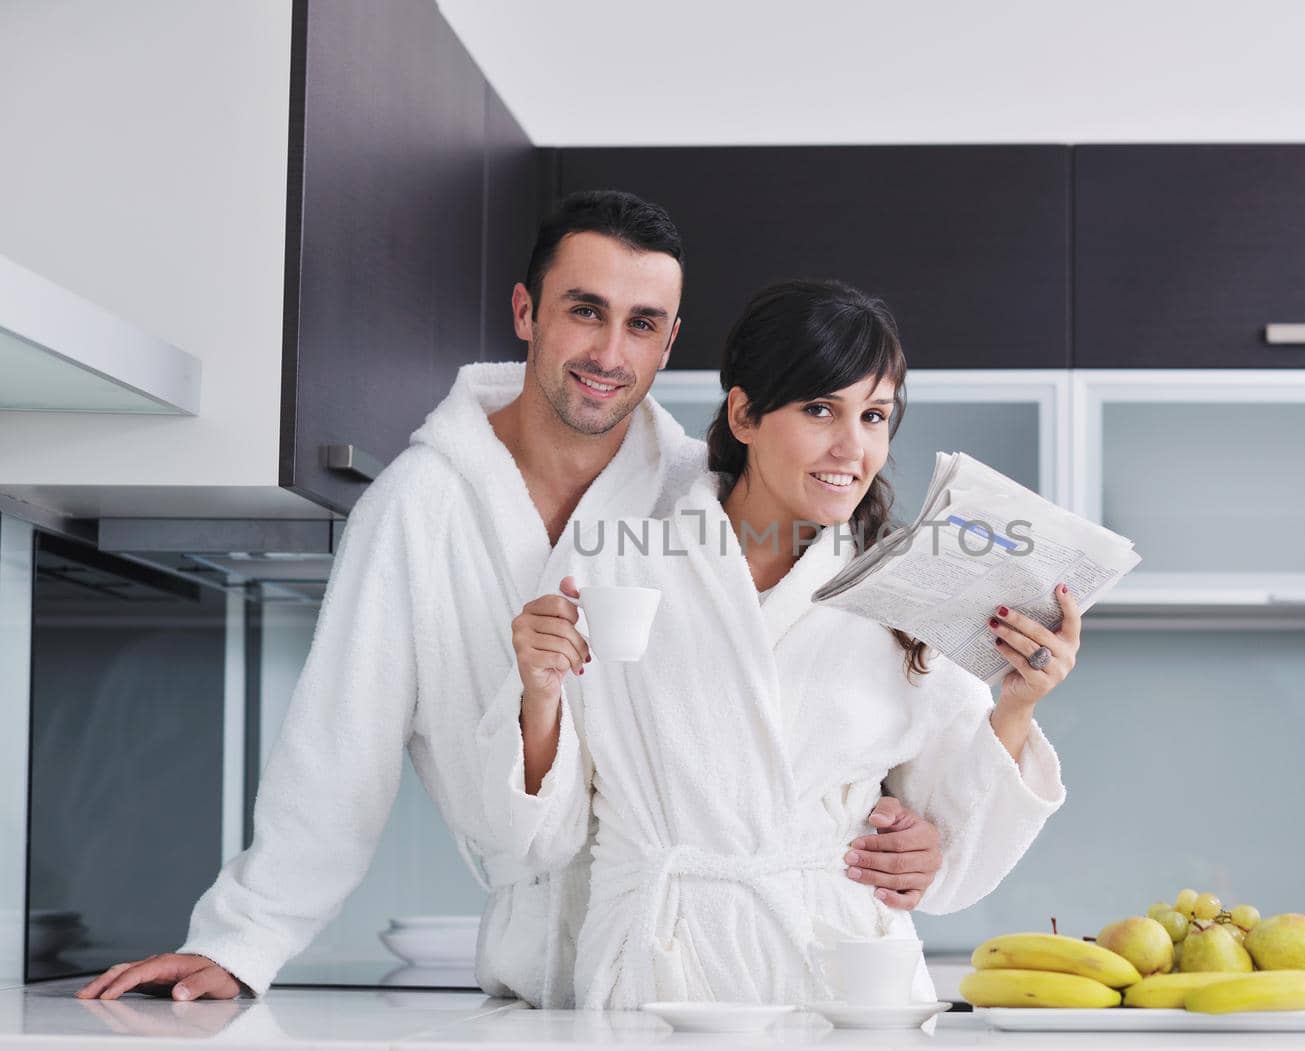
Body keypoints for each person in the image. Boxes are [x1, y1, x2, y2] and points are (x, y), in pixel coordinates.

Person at [78, 193, 947, 1005]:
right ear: (527, 311)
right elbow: (340, 743)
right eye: (584, 310)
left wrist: (922, 830)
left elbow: (824, 683)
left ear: (669, 342)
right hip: (538, 963)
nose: (611, 353)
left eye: (641, 324)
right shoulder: (420, 507)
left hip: (712, 975)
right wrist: (241, 941)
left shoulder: (705, 496)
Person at [507, 280, 1073, 1008]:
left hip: (840, 978)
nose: (853, 446)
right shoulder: (618, 565)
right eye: (819, 409)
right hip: (655, 975)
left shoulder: (903, 592)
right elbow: (543, 836)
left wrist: (1017, 706)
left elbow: (952, 850)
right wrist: (539, 691)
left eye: (874, 415)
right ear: (744, 414)